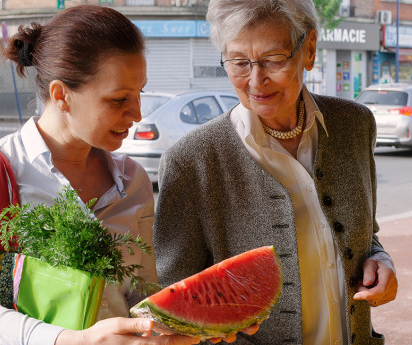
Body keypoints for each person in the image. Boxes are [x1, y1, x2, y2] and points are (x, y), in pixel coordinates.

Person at [0, 6, 200, 345]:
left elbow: (140, 300)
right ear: (61, 95)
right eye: (118, 99)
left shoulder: (133, 180)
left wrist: (199, 321)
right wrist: (70, 339)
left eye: (139, 92)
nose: (137, 113)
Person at [153, 0, 398, 344]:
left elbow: (366, 234)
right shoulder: (192, 161)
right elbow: (176, 303)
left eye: (273, 60)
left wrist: (380, 259)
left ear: (309, 50)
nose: (256, 80)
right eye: (239, 62)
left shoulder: (355, 126)